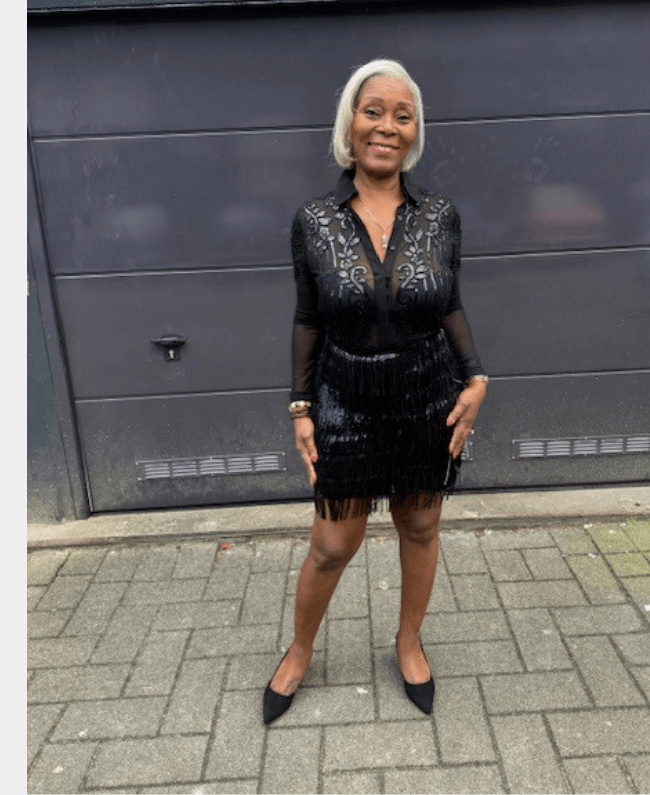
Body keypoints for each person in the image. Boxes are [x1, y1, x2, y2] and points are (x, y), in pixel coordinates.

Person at [263, 58, 488, 724]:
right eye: (373, 111)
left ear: (414, 131)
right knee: (332, 545)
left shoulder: (440, 215)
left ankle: (408, 641)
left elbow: (449, 302)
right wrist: (301, 407)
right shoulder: (314, 220)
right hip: (345, 401)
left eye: (402, 115)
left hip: (426, 397)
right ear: (351, 124)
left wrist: (476, 376)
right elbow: (307, 318)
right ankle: (300, 649)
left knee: (419, 527)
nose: (387, 126)